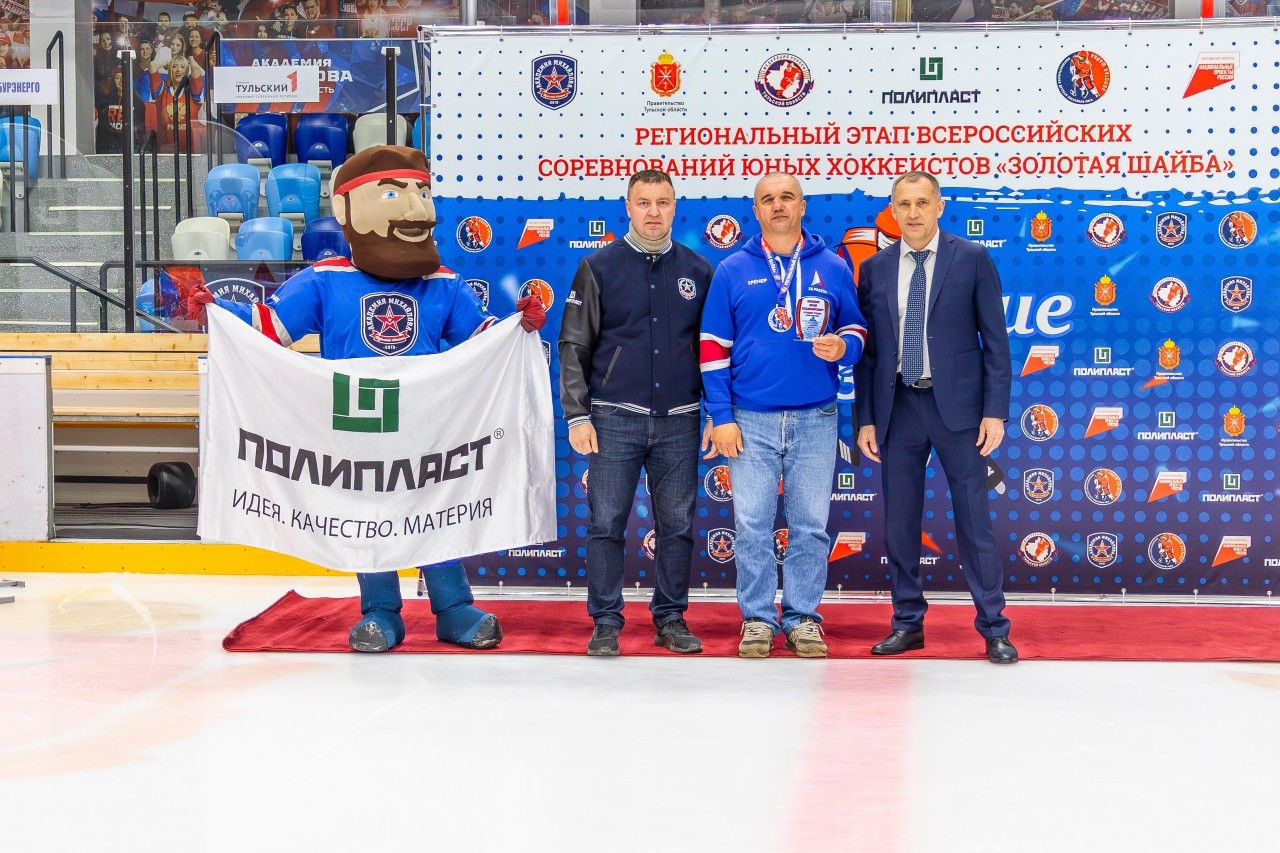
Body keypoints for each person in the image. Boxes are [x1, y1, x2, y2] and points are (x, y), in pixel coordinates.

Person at [189, 145, 546, 653]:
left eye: (422, 193)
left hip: (427, 425)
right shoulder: (324, 279)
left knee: (437, 507)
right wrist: (219, 312)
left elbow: (481, 338)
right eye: (396, 194)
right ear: (345, 208)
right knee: (364, 514)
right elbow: (269, 327)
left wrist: (517, 327)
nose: (417, 207)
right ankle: (380, 611)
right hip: (353, 425)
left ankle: (453, 608)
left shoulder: (442, 284)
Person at [853, 171, 1017, 665]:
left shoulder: (972, 258)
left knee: (974, 521)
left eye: (922, 202)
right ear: (893, 210)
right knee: (900, 523)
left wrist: (995, 412)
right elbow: (869, 354)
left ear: (939, 206)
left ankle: (994, 628)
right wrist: (865, 419)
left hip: (960, 412)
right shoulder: (875, 268)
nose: (913, 213)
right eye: (904, 204)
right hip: (898, 409)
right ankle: (907, 623)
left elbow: (996, 342)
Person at [700, 172, 866, 659]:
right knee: (752, 524)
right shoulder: (731, 269)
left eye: (786, 197)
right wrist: (721, 415)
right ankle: (756, 619)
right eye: (768, 199)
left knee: (811, 525)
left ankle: (802, 618)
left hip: (816, 416)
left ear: (802, 205)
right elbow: (711, 349)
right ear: (755, 211)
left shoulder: (832, 266)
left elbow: (857, 328)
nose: (777, 205)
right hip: (749, 418)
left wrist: (844, 346)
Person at [558, 170, 714, 657]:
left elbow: (712, 350)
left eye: (662, 202)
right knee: (606, 523)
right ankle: (606, 621)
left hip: (681, 419)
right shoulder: (598, 267)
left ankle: (670, 618)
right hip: (613, 420)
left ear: (674, 207)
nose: (653, 211)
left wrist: (715, 411)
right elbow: (573, 345)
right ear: (628, 207)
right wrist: (576, 415)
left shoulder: (698, 270)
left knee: (678, 526)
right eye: (643, 202)